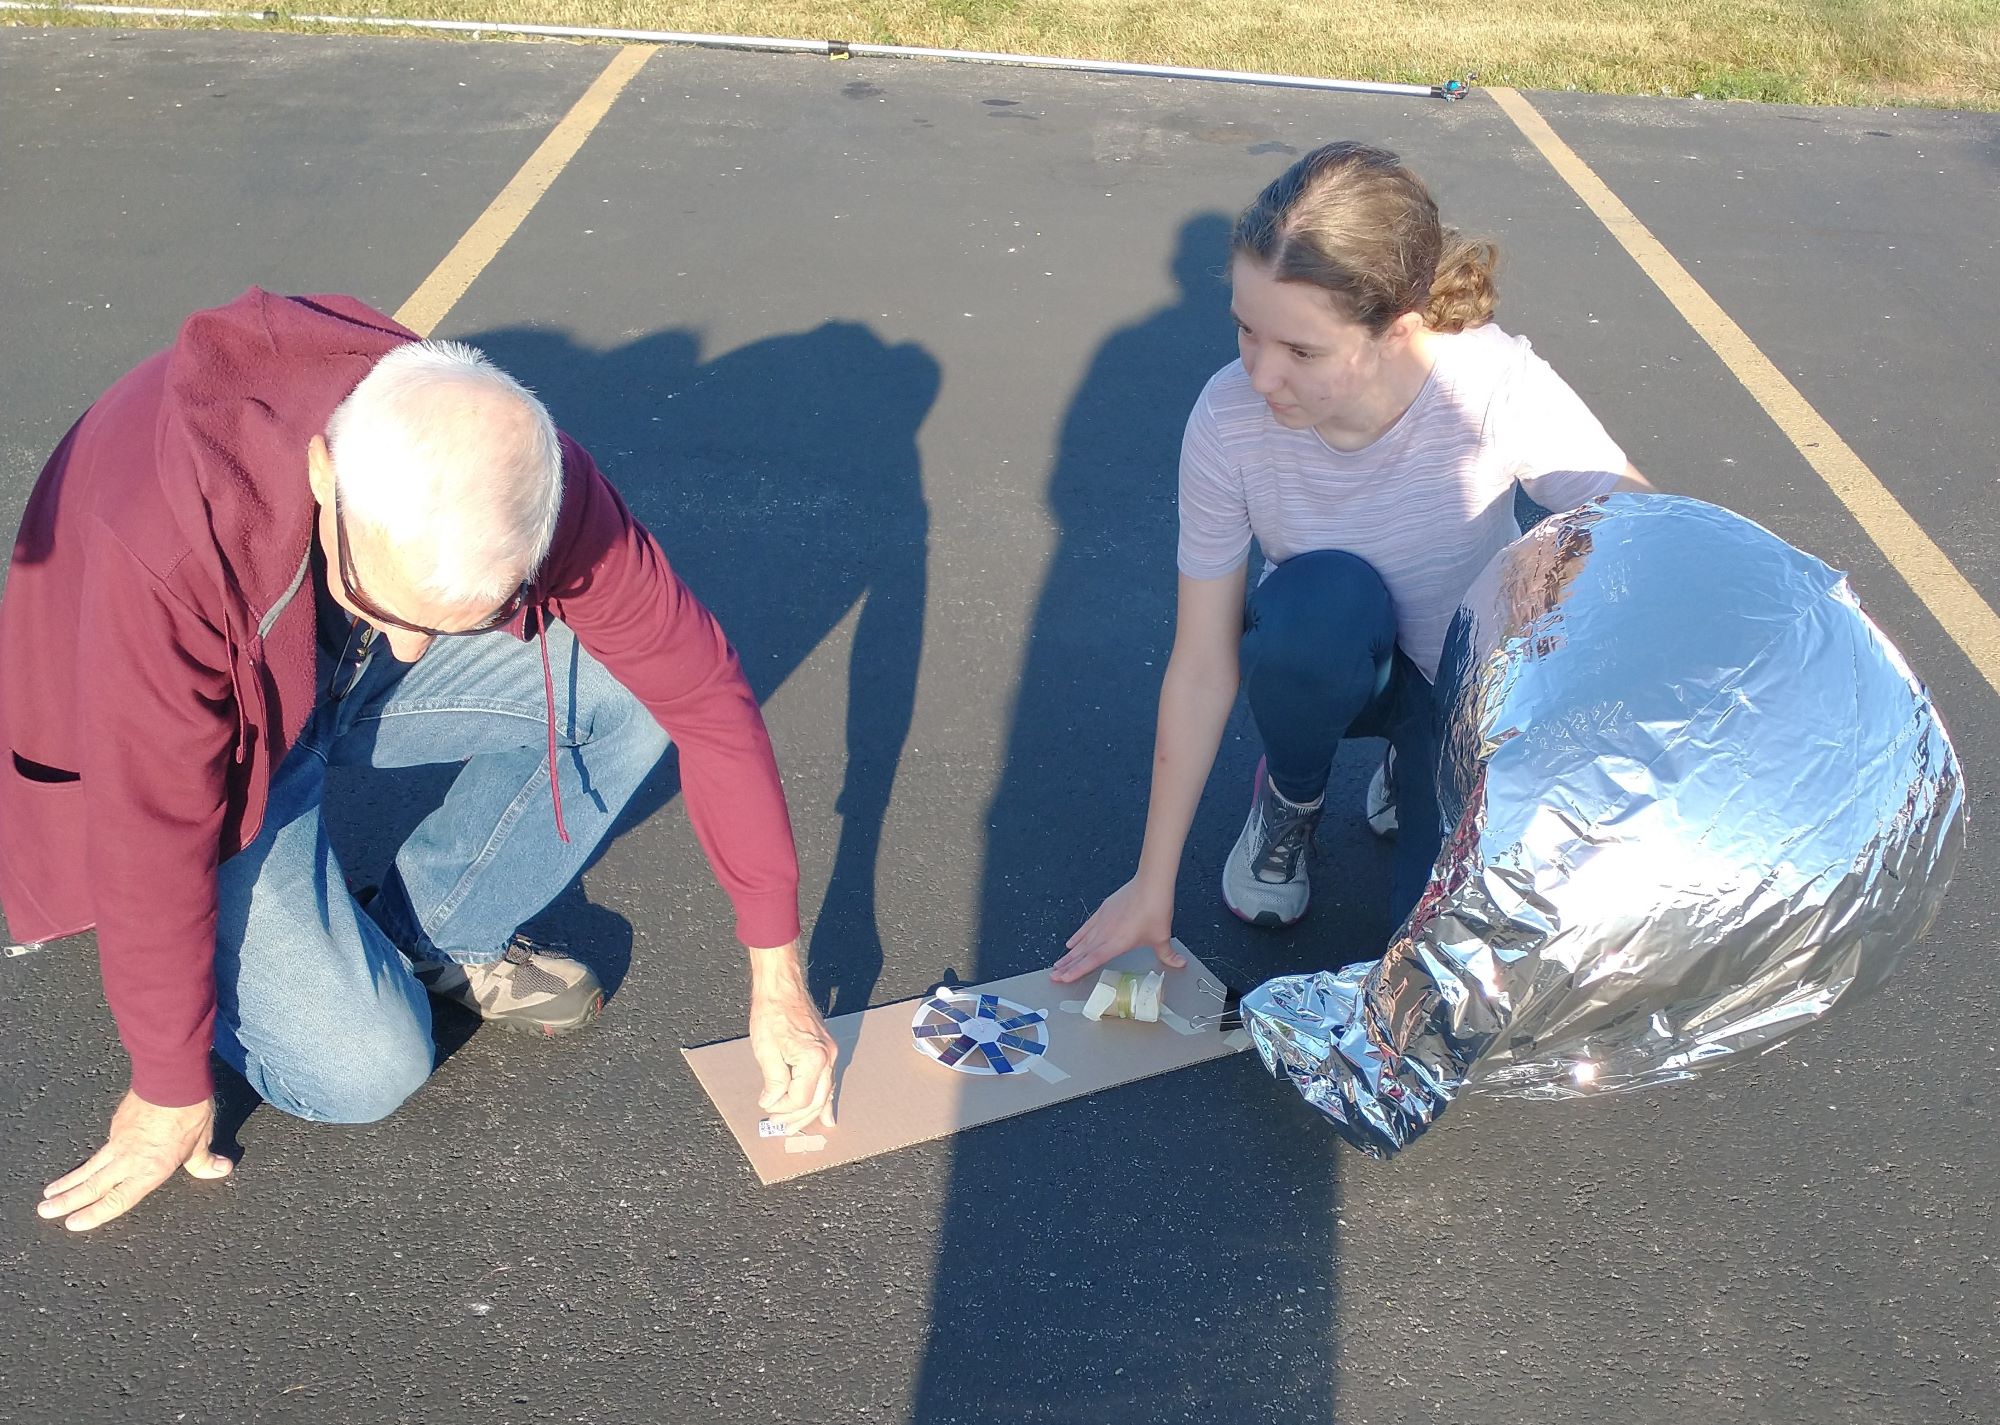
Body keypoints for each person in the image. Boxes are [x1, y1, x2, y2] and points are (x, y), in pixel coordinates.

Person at [1, 290, 837, 1232]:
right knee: (367, 1070)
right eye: (385, 607)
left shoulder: (520, 476)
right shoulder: (169, 543)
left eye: (452, 627)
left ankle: (429, 927)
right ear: (325, 472)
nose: (406, 655)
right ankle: (260, 948)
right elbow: (150, 828)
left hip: (298, 653)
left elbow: (706, 698)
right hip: (192, 737)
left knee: (633, 690)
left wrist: (779, 979)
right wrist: (165, 1081)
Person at [1055, 142, 1652, 987]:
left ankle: (1422, 772)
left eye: (1301, 351)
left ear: (1399, 329)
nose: (1260, 374)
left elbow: (1645, 513)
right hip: (1342, 657)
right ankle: (1292, 797)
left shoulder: (1489, 382)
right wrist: (1154, 883)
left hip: (1460, 682)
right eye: (1245, 329)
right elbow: (1198, 663)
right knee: (1318, 608)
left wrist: (1564, 552)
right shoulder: (1228, 420)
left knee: (1430, 968)